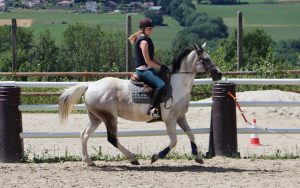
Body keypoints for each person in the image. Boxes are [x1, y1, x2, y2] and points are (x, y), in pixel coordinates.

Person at [128, 18, 168, 119]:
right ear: (143, 29)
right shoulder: (144, 42)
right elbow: (148, 61)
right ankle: (152, 108)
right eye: (149, 28)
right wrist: (159, 67)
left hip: (148, 69)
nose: (151, 30)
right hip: (143, 70)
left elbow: (152, 57)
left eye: (151, 28)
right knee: (161, 85)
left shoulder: (146, 39)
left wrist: (162, 65)